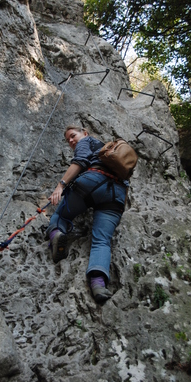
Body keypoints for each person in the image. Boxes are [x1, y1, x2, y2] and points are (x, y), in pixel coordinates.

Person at [46, 125, 128, 303]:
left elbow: (81, 161)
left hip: (93, 181)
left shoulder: (87, 141)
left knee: (60, 216)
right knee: (102, 240)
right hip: (118, 193)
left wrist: (60, 185)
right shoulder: (108, 152)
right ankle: (98, 285)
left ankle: (57, 235)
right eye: (68, 140)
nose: (71, 141)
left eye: (73, 136)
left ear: (85, 133)